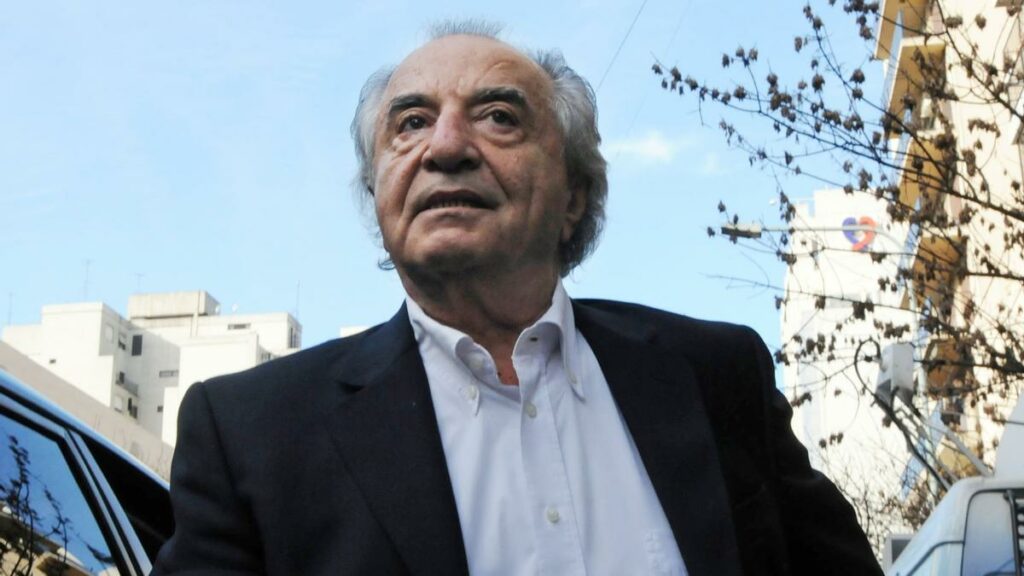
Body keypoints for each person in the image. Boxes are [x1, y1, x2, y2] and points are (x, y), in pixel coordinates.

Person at [152, 21, 882, 576]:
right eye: (410, 123)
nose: (446, 147)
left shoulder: (715, 377)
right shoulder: (252, 436)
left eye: (498, 116)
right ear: (379, 195)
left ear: (574, 196)